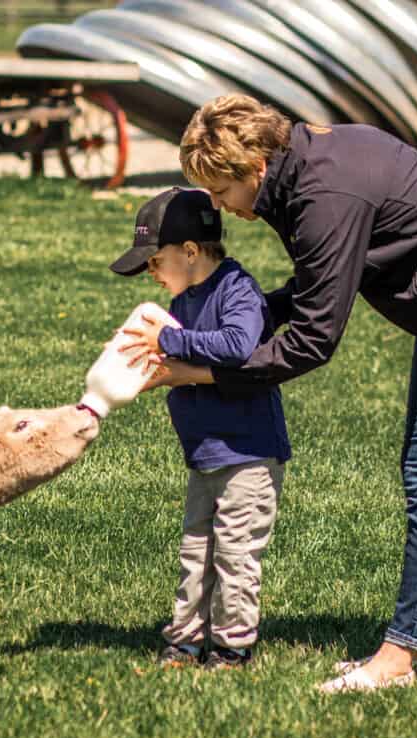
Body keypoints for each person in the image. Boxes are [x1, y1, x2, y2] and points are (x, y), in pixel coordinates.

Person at [123, 95, 417, 692]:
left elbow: (314, 341)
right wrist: (228, 323)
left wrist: (204, 373)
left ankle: (399, 656)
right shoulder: (302, 168)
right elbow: (321, 280)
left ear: (256, 168)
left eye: (221, 191)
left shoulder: (323, 194)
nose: (220, 208)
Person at [109, 187, 291, 671]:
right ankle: (186, 640)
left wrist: (168, 339)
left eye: (155, 260)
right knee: (196, 552)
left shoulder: (237, 290)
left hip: (247, 455)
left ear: (190, 252)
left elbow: (236, 344)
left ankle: (232, 647)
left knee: (234, 556)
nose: (150, 272)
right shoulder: (184, 301)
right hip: (205, 455)